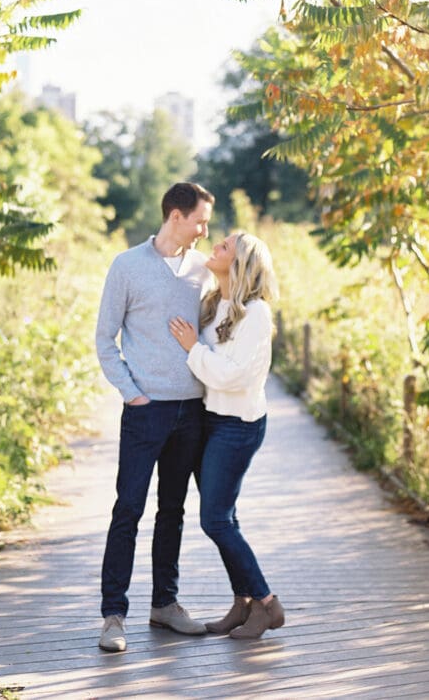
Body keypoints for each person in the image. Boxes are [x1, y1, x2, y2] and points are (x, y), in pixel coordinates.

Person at [94, 182, 215, 653]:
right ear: (176, 216)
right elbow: (105, 339)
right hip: (146, 412)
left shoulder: (202, 270)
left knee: (173, 511)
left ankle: (165, 604)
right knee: (128, 509)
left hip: (192, 410)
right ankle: (113, 616)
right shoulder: (127, 266)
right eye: (200, 221)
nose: (205, 230)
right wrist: (133, 394)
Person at [168, 231, 285, 640]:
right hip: (210, 419)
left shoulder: (256, 313)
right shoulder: (214, 304)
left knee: (215, 520)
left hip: (238, 425)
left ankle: (267, 604)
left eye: (225, 246)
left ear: (240, 264)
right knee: (226, 517)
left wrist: (192, 349)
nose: (215, 246)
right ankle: (243, 603)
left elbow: (233, 376)